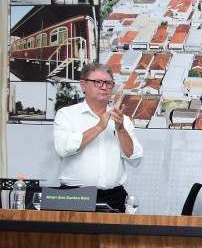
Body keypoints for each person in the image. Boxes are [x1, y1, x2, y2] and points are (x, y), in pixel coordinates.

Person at [53, 63, 143, 212]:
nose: (104, 87)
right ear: (83, 85)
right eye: (97, 82)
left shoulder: (122, 119)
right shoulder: (67, 114)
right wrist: (99, 127)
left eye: (108, 83)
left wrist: (120, 129)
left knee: (118, 235)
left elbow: (135, 159)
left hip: (114, 196)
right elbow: (63, 149)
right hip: (74, 196)